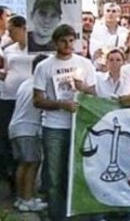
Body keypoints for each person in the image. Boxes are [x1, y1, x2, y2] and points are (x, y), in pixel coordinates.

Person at [33, 24, 96, 221]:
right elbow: (37, 100)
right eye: (63, 41)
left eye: (71, 40)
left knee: (78, 172)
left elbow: (94, 94)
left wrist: (82, 87)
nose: (68, 45)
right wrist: (61, 104)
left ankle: (77, 213)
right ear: (55, 42)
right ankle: (57, 216)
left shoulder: (85, 64)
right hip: (54, 126)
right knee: (54, 174)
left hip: (79, 125)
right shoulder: (45, 66)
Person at [9, 54, 47, 212]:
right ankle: (28, 199)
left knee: (23, 164)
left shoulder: (25, 83)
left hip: (15, 128)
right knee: (32, 163)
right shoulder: (38, 86)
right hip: (28, 129)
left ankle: (21, 198)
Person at [0, 16, 34, 190]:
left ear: (22, 28)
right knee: (7, 135)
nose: (9, 33)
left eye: (11, 29)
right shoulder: (7, 49)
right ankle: (11, 173)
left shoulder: (35, 46)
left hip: (29, 97)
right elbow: (6, 70)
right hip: (9, 96)